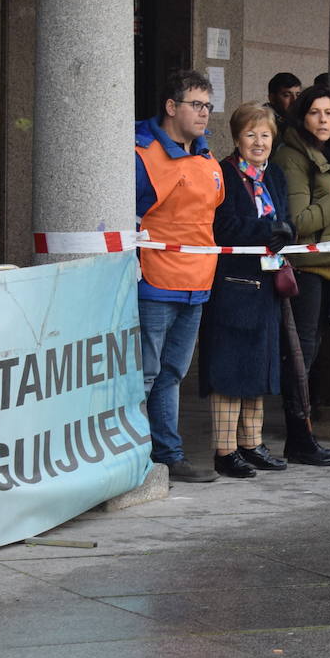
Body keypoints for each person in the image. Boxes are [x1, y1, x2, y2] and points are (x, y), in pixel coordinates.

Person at [135, 70, 224, 484]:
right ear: (172, 108)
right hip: (154, 282)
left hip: (197, 285)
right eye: (196, 104)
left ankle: (169, 454)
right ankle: (136, 454)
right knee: (146, 374)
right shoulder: (143, 153)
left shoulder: (207, 159)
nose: (204, 113)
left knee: (171, 374)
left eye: (208, 105)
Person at [200, 102, 295, 478]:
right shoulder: (222, 174)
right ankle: (225, 451)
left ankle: (251, 444)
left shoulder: (276, 176)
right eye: (251, 134)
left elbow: (285, 221)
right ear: (237, 137)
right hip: (232, 284)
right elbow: (221, 227)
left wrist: (286, 232)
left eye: (266, 135)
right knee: (229, 370)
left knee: (258, 367)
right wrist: (266, 231)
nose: (259, 142)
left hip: (266, 284)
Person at [271, 84, 330, 467]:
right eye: (316, 113)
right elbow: (298, 222)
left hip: (327, 265)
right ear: (302, 116)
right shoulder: (292, 155)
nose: (324, 120)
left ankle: (303, 433)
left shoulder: (326, 153)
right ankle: (298, 437)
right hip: (304, 269)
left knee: (312, 352)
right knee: (300, 356)